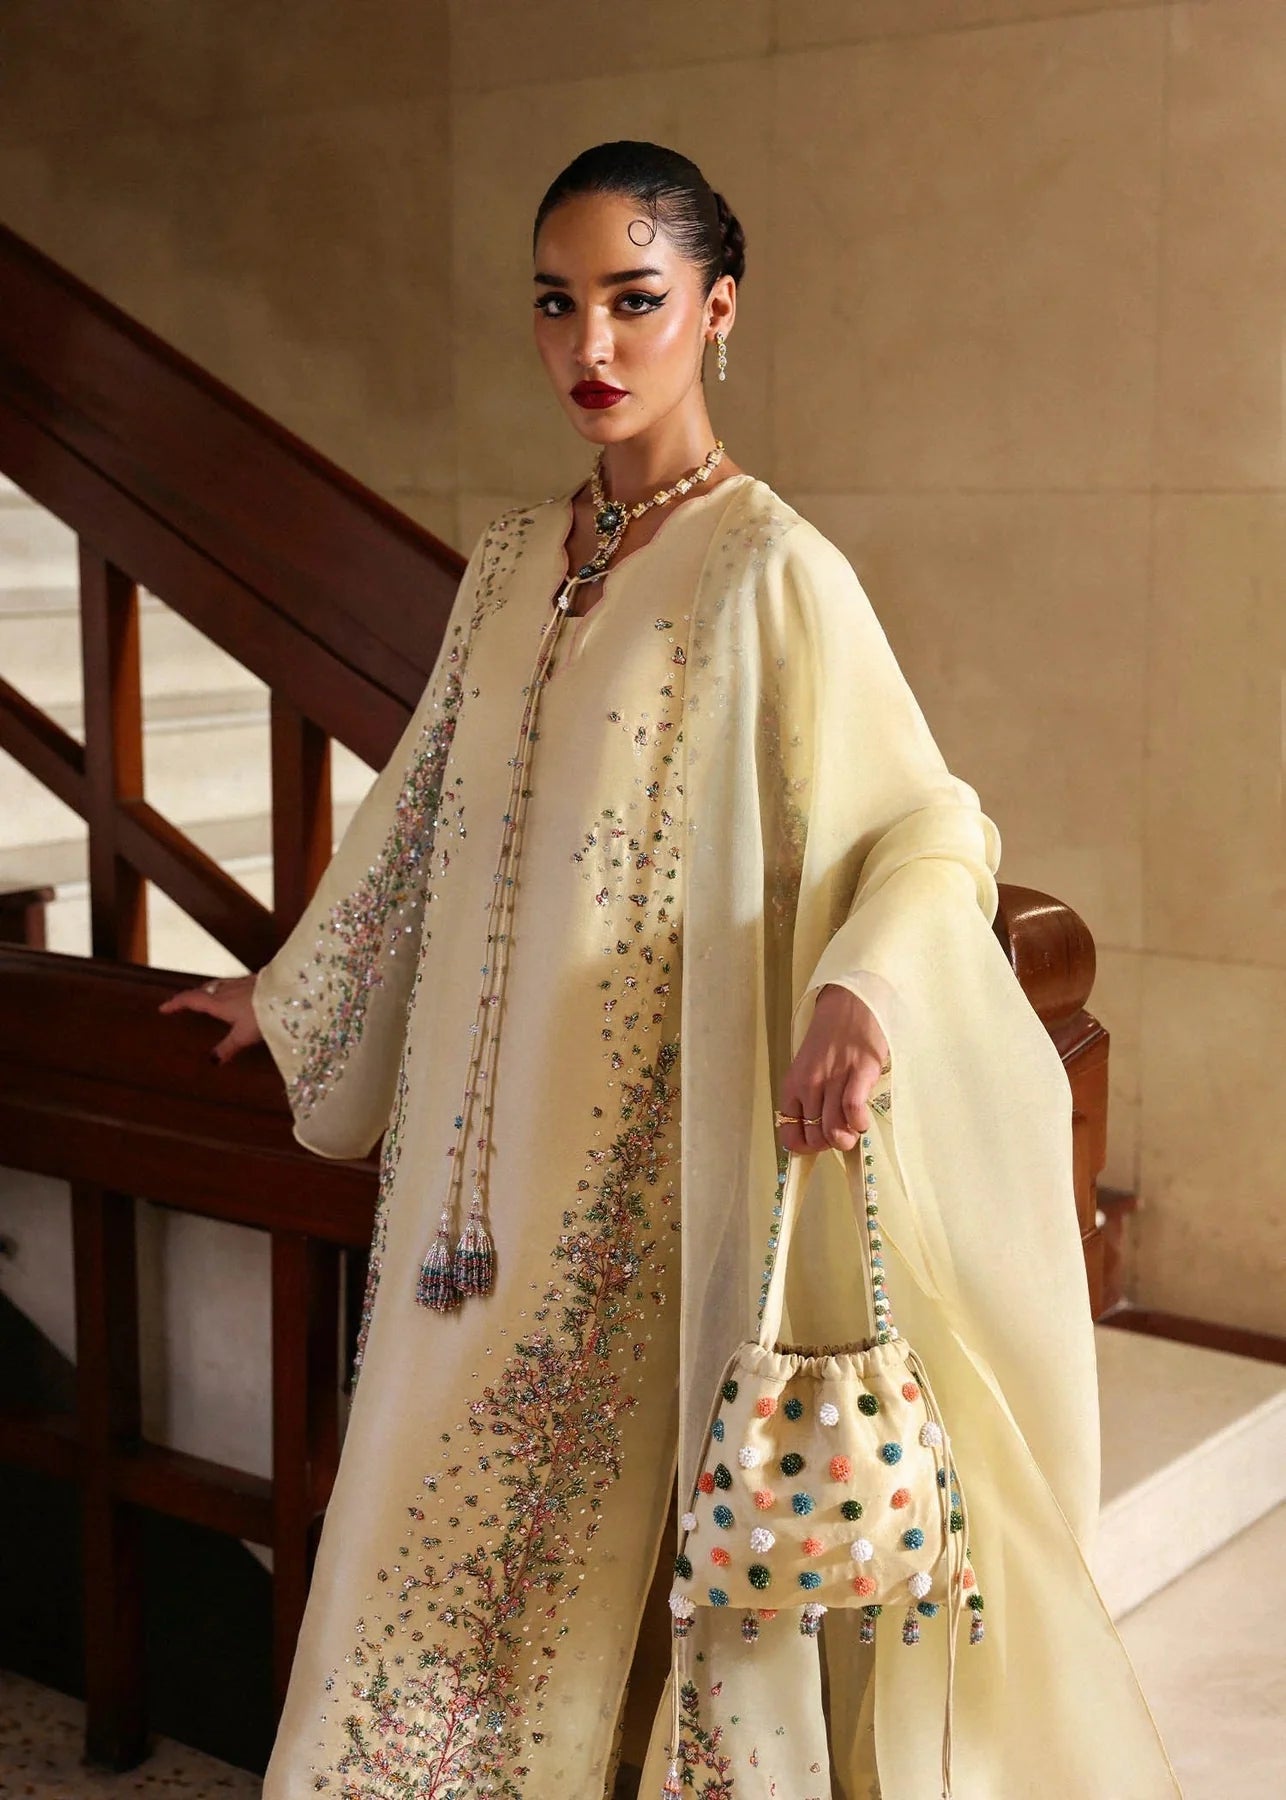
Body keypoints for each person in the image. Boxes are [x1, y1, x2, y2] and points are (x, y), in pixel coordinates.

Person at [161, 141, 1182, 1800]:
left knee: (610, 1554)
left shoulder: (772, 571)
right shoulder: (509, 562)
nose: (592, 344)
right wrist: (289, 997)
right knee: (419, 1532)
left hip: (645, 1172)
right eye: (556, 303)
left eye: (634, 300)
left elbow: (931, 824)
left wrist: (859, 987)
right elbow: (418, 812)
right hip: (461, 1185)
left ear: (717, 310)